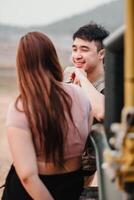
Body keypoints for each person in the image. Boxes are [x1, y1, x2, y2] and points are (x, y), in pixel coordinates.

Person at [2, 32, 93, 200]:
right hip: (71, 186)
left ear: (22, 64)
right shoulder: (80, 95)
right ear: (52, 57)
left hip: (32, 193)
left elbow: (28, 177)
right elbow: (85, 146)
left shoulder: (21, 107)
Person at [64, 22, 109, 186]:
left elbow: (102, 112)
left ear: (101, 54)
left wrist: (82, 78)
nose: (77, 55)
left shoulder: (110, 84)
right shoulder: (68, 76)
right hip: (63, 162)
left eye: (84, 49)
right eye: (74, 49)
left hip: (86, 166)